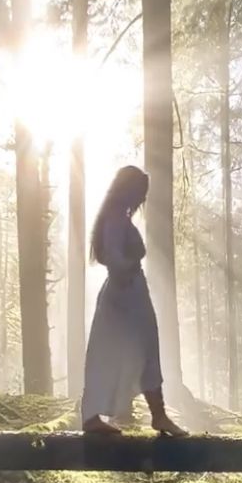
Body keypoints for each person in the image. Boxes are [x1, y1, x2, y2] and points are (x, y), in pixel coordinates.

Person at [81, 165, 187, 436]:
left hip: (126, 291)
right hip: (125, 293)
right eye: (140, 192)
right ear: (129, 190)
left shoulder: (117, 217)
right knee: (139, 349)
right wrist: (128, 273)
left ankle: (155, 414)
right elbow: (113, 257)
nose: (142, 199)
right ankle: (154, 415)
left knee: (135, 349)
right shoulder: (116, 219)